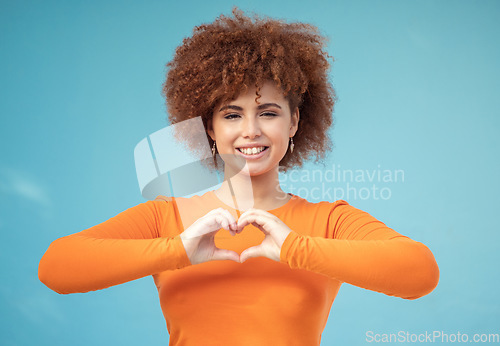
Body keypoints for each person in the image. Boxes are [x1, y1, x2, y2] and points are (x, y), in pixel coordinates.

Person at [38, 9, 439, 346]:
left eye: (268, 112)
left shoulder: (328, 222)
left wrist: (295, 248)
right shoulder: (168, 219)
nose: (251, 130)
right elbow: (56, 267)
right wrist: (178, 250)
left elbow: (420, 273)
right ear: (210, 128)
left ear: (294, 121)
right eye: (232, 114)